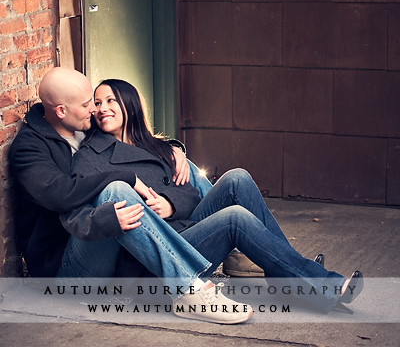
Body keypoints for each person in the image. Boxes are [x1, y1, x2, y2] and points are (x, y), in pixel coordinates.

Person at [60, 77, 364, 318]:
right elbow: (78, 211)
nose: (102, 108)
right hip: (150, 262)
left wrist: (169, 203)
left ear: (129, 105)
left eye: (110, 100)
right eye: (96, 103)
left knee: (237, 178)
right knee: (236, 218)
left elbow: (191, 193)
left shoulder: (157, 148)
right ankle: (320, 284)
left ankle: (291, 276)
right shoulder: (91, 156)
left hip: (184, 234)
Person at [9, 68, 253, 324]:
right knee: (116, 190)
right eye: (87, 104)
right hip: (67, 266)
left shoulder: (82, 124)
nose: (95, 109)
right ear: (61, 111)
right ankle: (189, 290)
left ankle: (236, 249)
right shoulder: (29, 148)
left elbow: (133, 140)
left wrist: (173, 150)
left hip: (105, 247)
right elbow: (60, 195)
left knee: (198, 171)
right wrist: (122, 177)